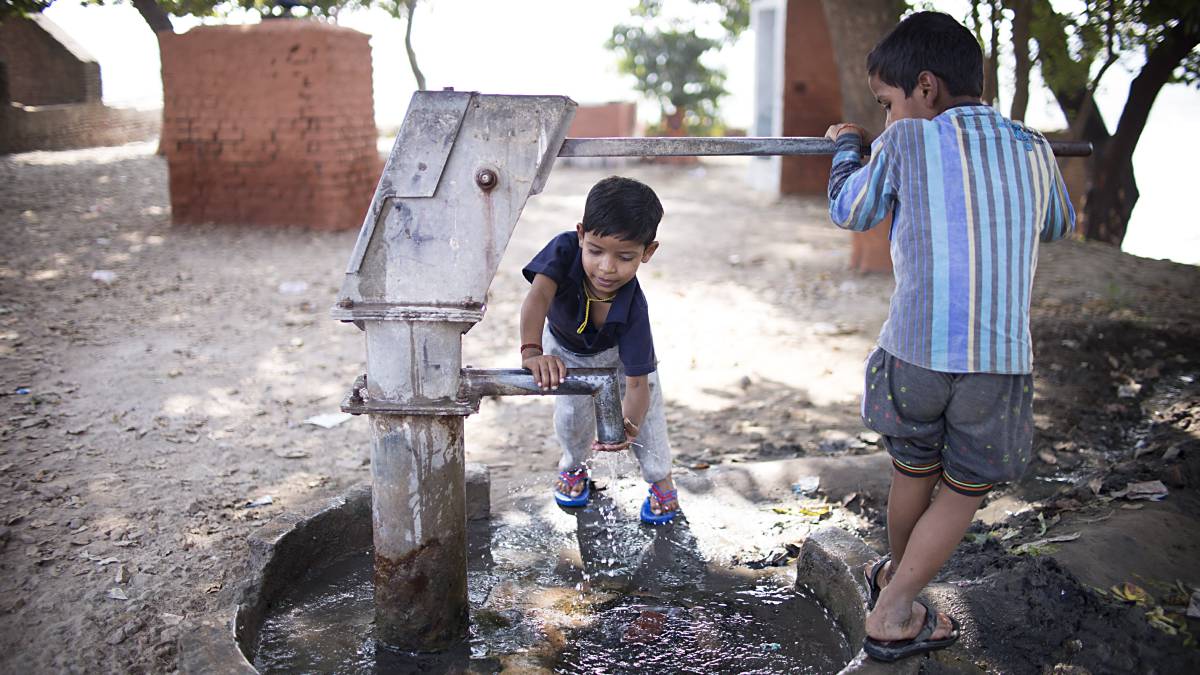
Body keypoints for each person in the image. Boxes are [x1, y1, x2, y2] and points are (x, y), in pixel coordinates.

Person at [823, 11, 1075, 662]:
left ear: (926, 88)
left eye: (886, 104)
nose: (886, 119)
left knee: (915, 469)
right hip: (996, 363)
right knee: (962, 489)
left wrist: (850, 146)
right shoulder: (1034, 149)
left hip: (913, 351)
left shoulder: (904, 144)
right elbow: (1058, 225)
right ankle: (896, 598)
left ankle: (894, 596)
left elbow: (852, 207)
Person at [518, 175, 679, 525]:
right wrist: (532, 352)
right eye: (595, 251)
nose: (607, 268)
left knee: (649, 415)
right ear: (580, 235)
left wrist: (629, 426)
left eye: (624, 257)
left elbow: (637, 384)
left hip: (618, 357)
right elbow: (538, 297)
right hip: (564, 350)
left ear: (647, 252)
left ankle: (660, 479)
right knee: (573, 418)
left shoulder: (634, 309)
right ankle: (574, 468)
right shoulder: (563, 250)